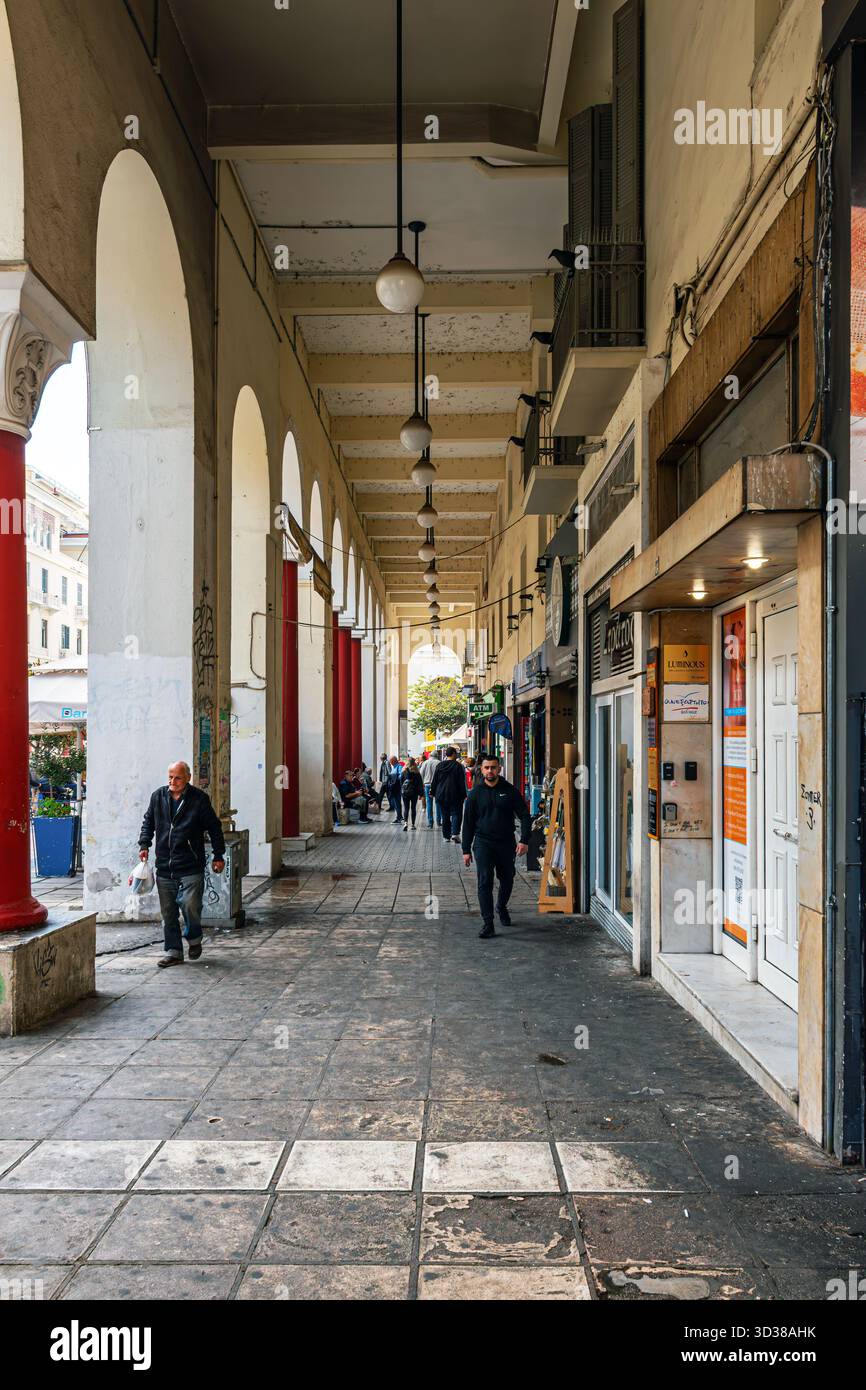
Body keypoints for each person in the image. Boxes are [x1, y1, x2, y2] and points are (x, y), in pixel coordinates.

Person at [138, 760, 225, 968]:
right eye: (170, 777)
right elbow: (148, 822)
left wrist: (218, 855)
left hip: (190, 865)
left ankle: (194, 939)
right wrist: (144, 844)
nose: (172, 781)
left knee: (190, 906)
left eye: (177, 777)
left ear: (188, 778)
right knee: (168, 913)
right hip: (165, 866)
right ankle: (174, 952)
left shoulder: (199, 800)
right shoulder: (158, 796)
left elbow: (214, 827)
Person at [461, 752, 532, 939]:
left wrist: (524, 840)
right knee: (484, 881)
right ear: (481, 769)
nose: (490, 770)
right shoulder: (475, 794)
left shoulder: (509, 790)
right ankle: (488, 922)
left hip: (506, 842)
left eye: (493, 767)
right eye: (486, 767)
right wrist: (466, 850)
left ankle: (501, 906)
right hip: (483, 843)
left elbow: (524, 815)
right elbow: (467, 823)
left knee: (507, 878)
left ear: (499, 769)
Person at [430, 745, 467, 843]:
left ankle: (446, 836)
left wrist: (432, 792)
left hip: (441, 794)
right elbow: (461, 782)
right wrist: (464, 794)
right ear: (454, 754)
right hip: (455, 794)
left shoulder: (440, 765)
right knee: (456, 814)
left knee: (445, 815)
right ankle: (455, 833)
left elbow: (435, 780)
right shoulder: (458, 766)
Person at [400, 757, 423, 831]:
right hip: (414, 793)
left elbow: (400, 782)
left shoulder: (403, 772)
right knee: (413, 808)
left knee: (406, 808)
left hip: (405, 793)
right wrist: (421, 794)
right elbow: (420, 784)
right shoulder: (417, 773)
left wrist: (402, 791)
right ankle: (413, 825)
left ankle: (406, 823)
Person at [420, 748, 441, 829]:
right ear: (437, 756)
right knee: (438, 803)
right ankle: (439, 821)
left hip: (427, 785)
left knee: (429, 803)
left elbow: (421, 774)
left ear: (430, 755)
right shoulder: (439, 763)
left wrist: (422, 785)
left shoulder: (425, 763)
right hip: (437, 786)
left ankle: (430, 822)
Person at [385, 755, 404, 823]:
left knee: (397, 803)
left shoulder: (399, 767)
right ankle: (399, 816)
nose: (390, 762)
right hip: (393, 788)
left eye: (390, 761)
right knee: (396, 803)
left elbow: (401, 776)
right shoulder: (394, 767)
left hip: (397, 788)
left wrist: (394, 779)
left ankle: (399, 817)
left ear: (393, 761)